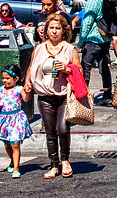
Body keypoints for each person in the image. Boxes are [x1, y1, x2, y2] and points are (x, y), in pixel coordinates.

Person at [23, 11, 80, 179]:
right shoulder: (39, 49)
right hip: (44, 96)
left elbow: (79, 70)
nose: (54, 31)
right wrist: (28, 82)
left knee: (62, 128)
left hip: (63, 96)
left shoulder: (70, 49)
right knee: (50, 132)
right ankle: (54, 165)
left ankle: (65, 160)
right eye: (51, 28)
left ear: (64, 31)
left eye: (58, 28)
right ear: (46, 30)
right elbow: (31, 67)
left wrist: (67, 69)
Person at [0, 63, 32, 178]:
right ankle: (13, 161)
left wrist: (28, 91)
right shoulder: (0, 89)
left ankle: (16, 169)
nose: (5, 81)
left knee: (15, 144)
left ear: (16, 79)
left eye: (7, 78)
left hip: (16, 119)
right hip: (4, 119)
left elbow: (26, 99)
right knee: (7, 144)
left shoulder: (19, 89)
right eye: (3, 78)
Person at [78, 0, 112, 105]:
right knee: (104, 68)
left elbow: (88, 21)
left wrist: (81, 40)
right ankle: (107, 96)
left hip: (93, 39)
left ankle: (83, 97)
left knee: (85, 68)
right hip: (105, 39)